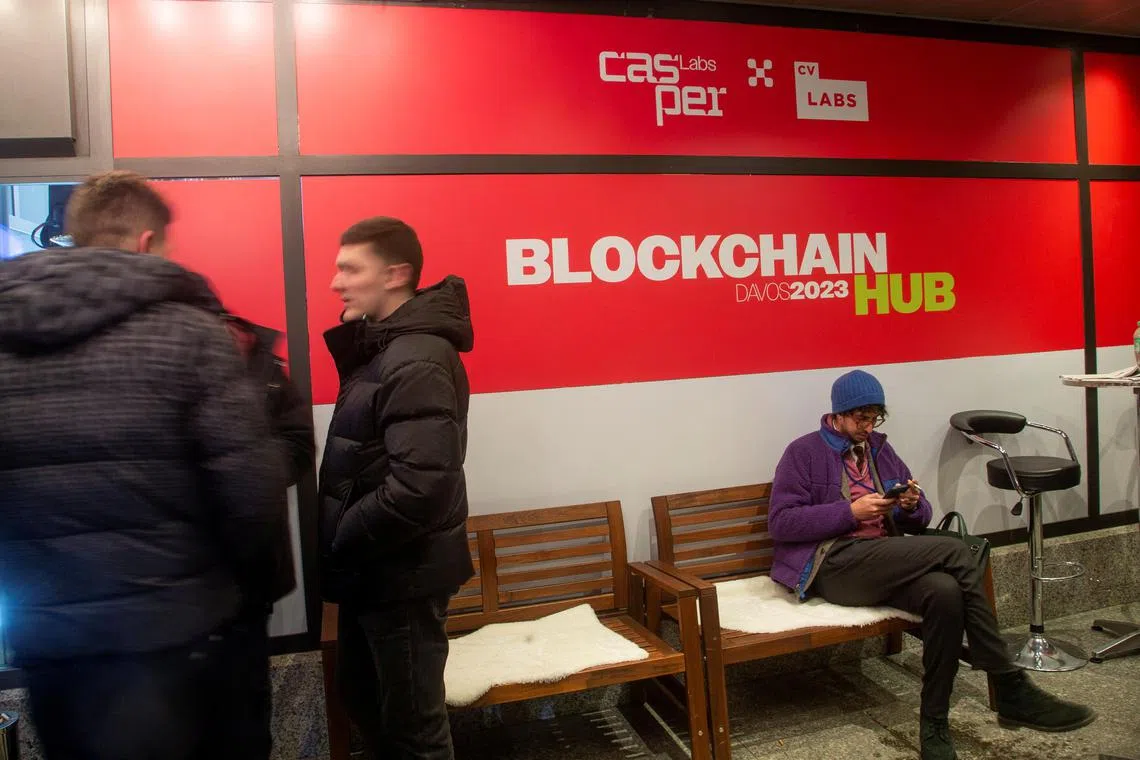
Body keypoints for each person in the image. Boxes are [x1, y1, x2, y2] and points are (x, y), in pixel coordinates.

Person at [0, 170, 290, 760]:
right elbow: (250, 493)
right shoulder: (190, 335)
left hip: (53, 649)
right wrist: (246, 598)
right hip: (179, 640)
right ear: (145, 242)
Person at [769, 369, 1096, 760]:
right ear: (838, 414)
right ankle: (1008, 683)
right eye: (860, 418)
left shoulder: (879, 450)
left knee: (944, 594)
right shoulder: (803, 452)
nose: (867, 427)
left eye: (875, 418)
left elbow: (920, 515)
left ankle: (934, 721)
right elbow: (782, 522)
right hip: (834, 565)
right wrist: (849, 512)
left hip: (883, 561)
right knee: (956, 552)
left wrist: (910, 505)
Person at [318, 216, 475, 760]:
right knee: (366, 702)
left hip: (403, 575)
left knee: (414, 730)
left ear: (396, 274)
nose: (336, 282)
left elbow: (420, 487)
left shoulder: (418, 356)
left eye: (350, 268)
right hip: (377, 571)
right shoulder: (384, 351)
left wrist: (341, 532)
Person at [221, 313, 316, 759]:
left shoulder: (268, 372)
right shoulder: (165, 365)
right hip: (175, 578)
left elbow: (299, 448)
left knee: (247, 715)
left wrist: (248, 466)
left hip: (248, 572)